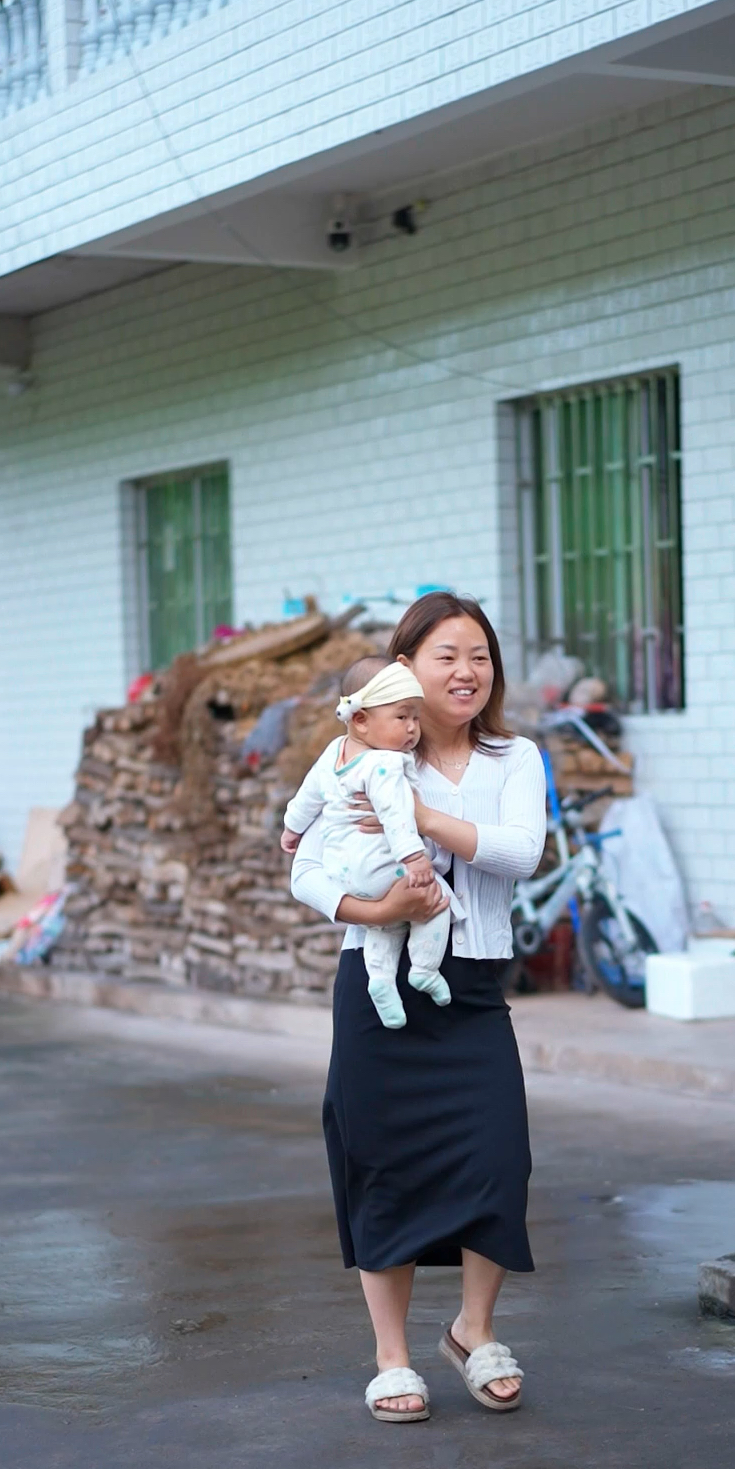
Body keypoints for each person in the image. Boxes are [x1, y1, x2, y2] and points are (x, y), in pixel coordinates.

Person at [290, 591, 547, 1423]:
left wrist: (420, 815)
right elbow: (308, 870)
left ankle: (474, 1330)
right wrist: (375, 913)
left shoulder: (515, 758)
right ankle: (392, 1356)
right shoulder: (351, 757)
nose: (466, 671)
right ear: (406, 669)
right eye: (446, 656)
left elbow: (521, 853)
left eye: (479, 655)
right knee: (381, 1164)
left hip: (469, 991)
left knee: (498, 1162)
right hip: (376, 991)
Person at [279, 657, 461, 1029]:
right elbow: (397, 819)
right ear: (360, 719)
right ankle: (424, 969)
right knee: (436, 902)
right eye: (402, 717)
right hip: (384, 868)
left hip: (344, 874)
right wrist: (416, 860)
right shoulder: (386, 765)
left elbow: (306, 797)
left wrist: (291, 829)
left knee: (384, 924)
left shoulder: (333, 754)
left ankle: (380, 981)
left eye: (415, 717)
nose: (412, 729)